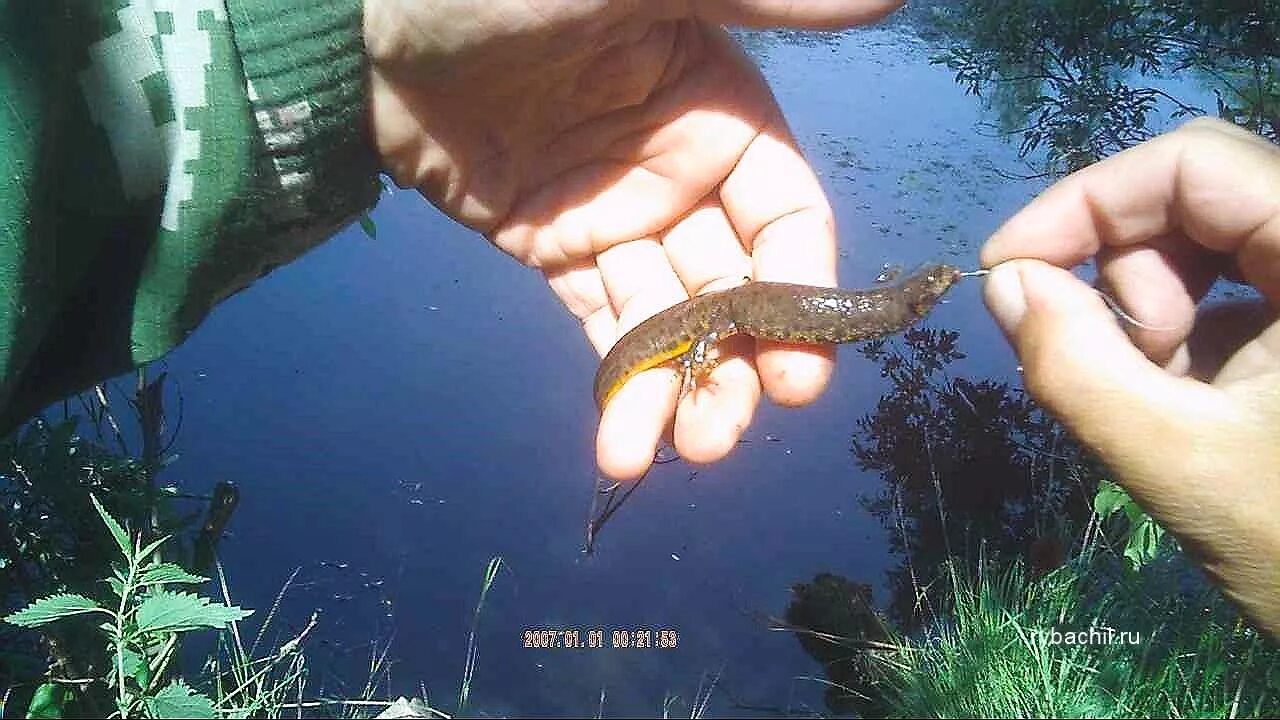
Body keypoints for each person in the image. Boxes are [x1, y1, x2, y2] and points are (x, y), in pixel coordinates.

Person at [1, 2, 1275, 634]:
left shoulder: (874, 306)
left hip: (747, 302)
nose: (928, 291)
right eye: (930, 289)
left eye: (931, 290)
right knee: (737, 330)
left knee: (787, 323)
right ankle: (654, 357)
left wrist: (355, 35)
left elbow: (865, 312)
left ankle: (662, 354)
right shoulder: (856, 302)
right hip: (725, 303)